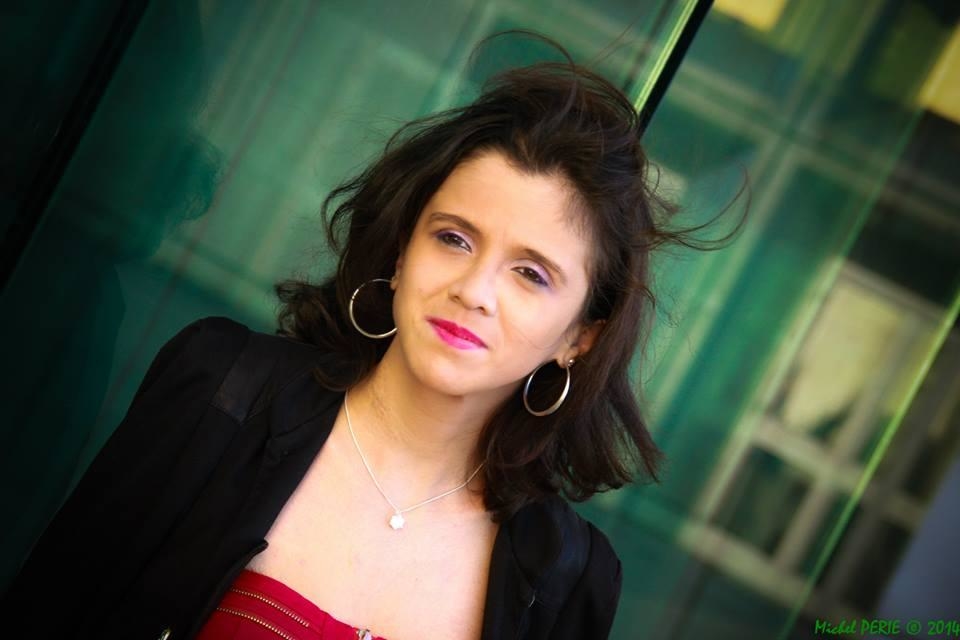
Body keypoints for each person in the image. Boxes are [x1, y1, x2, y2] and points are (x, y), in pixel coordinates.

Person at [0, 35, 718, 639]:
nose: (474, 290)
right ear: (402, 252)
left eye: (531, 274)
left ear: (580, 338)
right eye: (454, 238)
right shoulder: (220, 394)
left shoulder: (569, 581)